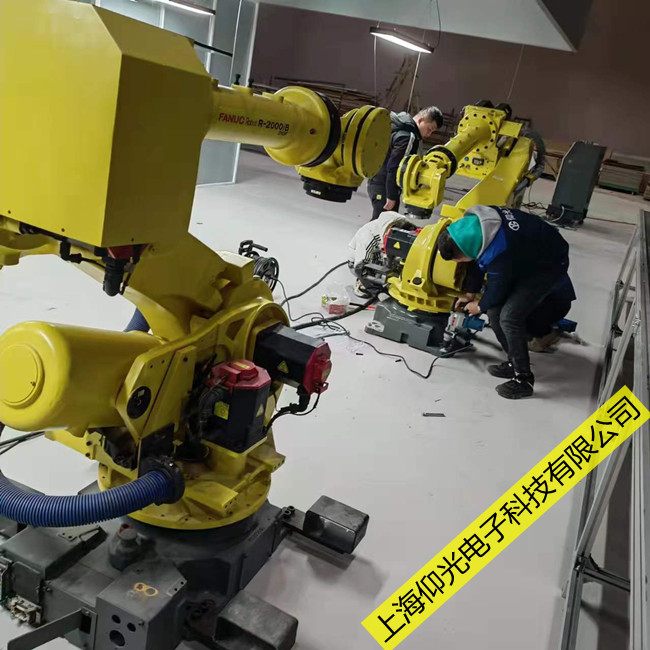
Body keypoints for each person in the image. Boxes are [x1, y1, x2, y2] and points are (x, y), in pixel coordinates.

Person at [437, 205, 572, 400]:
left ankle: (523, 380)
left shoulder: (499, 250)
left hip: (547, 265)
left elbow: (497, 286)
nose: (457, 264)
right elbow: (475, 262)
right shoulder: (475, 230)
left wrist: (479, 306)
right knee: (494, 312)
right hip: (525, 252)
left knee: (509, 317)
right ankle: (513, 363)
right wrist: (470, 293)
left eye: (457, 260)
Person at [367, 106, 443, 221]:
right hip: (383, 184)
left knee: (384, 222)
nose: (429, 134)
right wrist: (391, 196)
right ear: (421, 120)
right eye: (429, 129)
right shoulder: (407, 137)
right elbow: (395, 167)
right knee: (382, 223)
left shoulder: (397, 125)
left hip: (376, 179)